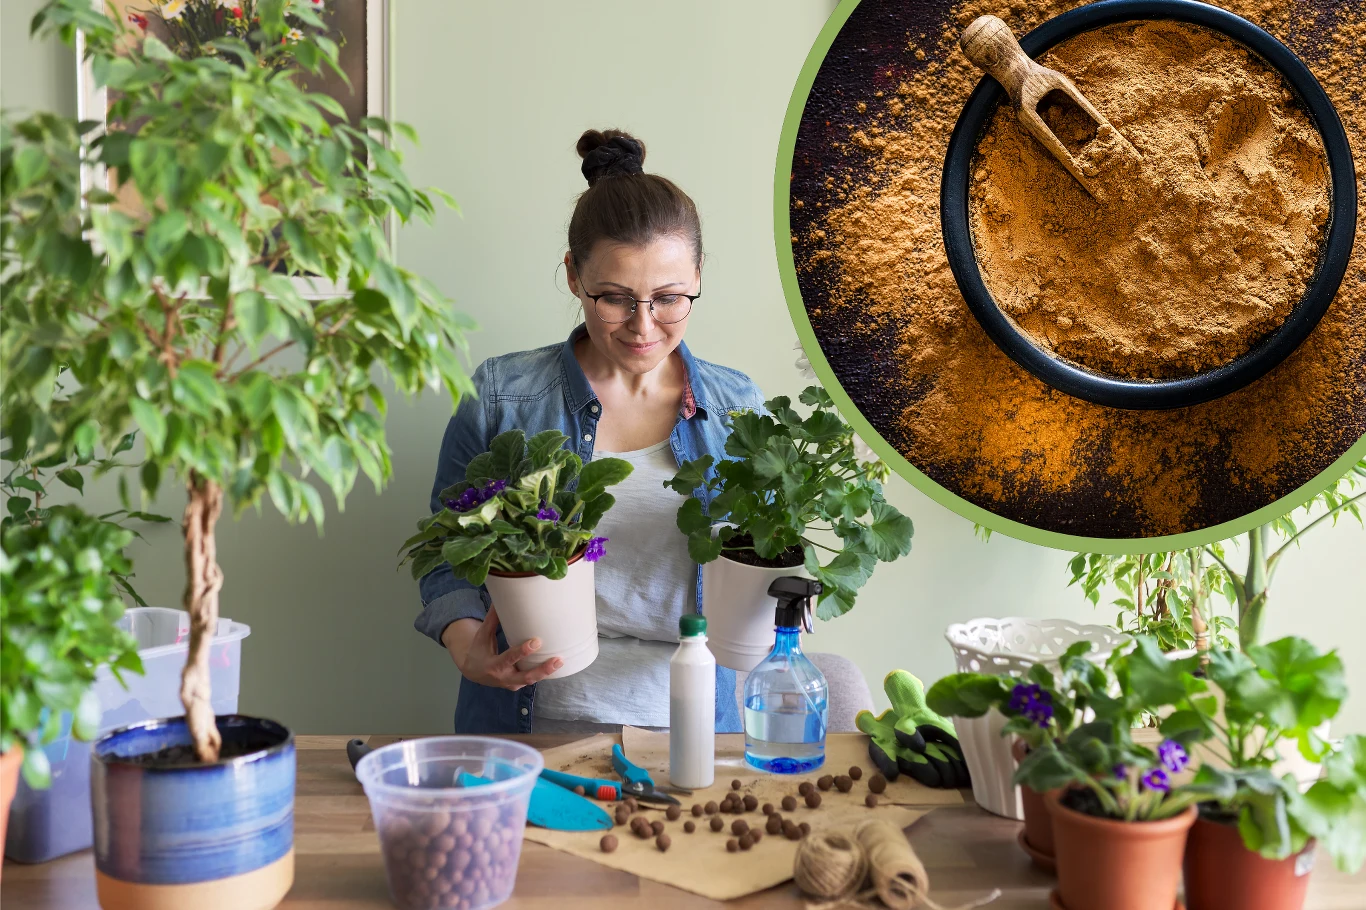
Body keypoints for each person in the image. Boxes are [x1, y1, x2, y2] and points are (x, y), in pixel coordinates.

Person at [414, 128, 766, 735]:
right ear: (575, 275)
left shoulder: (738, 408)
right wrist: (466, 645)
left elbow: (765, 564)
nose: (643, 326)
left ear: (699, 274)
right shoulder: (502, 398)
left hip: (700, 731)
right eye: (614, 298)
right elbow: (446, 556)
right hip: (530, 726)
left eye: (670, 298)